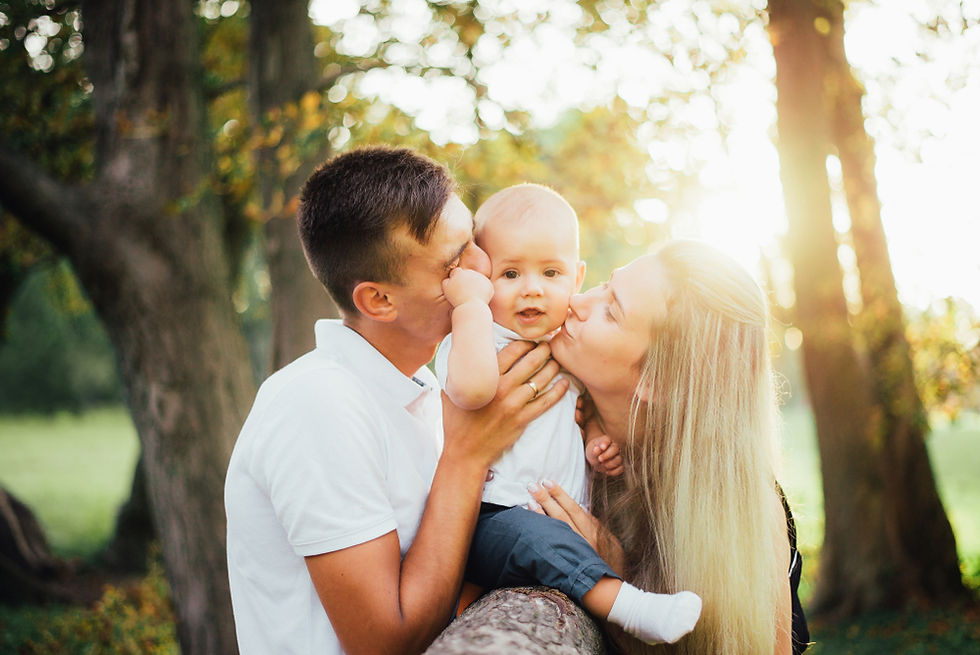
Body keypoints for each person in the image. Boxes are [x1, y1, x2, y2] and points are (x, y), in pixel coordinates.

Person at [224, 146, 570, 655]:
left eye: (474, 242)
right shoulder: (316, 404)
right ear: (378, 300)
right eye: (456, 261)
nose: (484, 266)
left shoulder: (428, 388)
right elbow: (385, 642)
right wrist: (467, 455)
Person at [434, 184, 702, 645]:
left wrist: (598, 441)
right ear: (481, 274)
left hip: (548, 513)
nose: (532, 289)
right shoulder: (478, 336)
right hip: (493, 513)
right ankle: (630, 606)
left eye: (551, 272)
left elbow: (578, 409)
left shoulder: (563, 349)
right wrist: (471, 305)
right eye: (510, 273)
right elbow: (474, 390)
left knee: (545, 542)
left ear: (576, 277)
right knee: (538, 541)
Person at [528, 240, 811, 654]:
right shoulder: (555, 425)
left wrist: (612, 579)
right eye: (605, 286)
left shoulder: (741, 515)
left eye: (611, 311)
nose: (577, 300)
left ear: (657, 382)